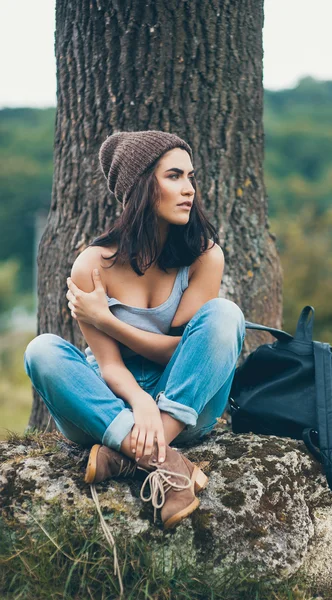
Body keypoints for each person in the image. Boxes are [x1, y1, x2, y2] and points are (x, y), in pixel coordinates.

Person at [24, 130, 246, 528]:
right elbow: (108, 367)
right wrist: (139, 402)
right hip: (108, 405)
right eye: (174, 176)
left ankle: (125, 456)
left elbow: (183, 352)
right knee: (41, 350)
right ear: (142, 186)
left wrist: (106, 320)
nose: (189, 189)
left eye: (190, 177)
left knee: (225, 315)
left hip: (182, 402)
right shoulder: (92, 265)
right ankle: (169, 463)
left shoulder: (204, 257)